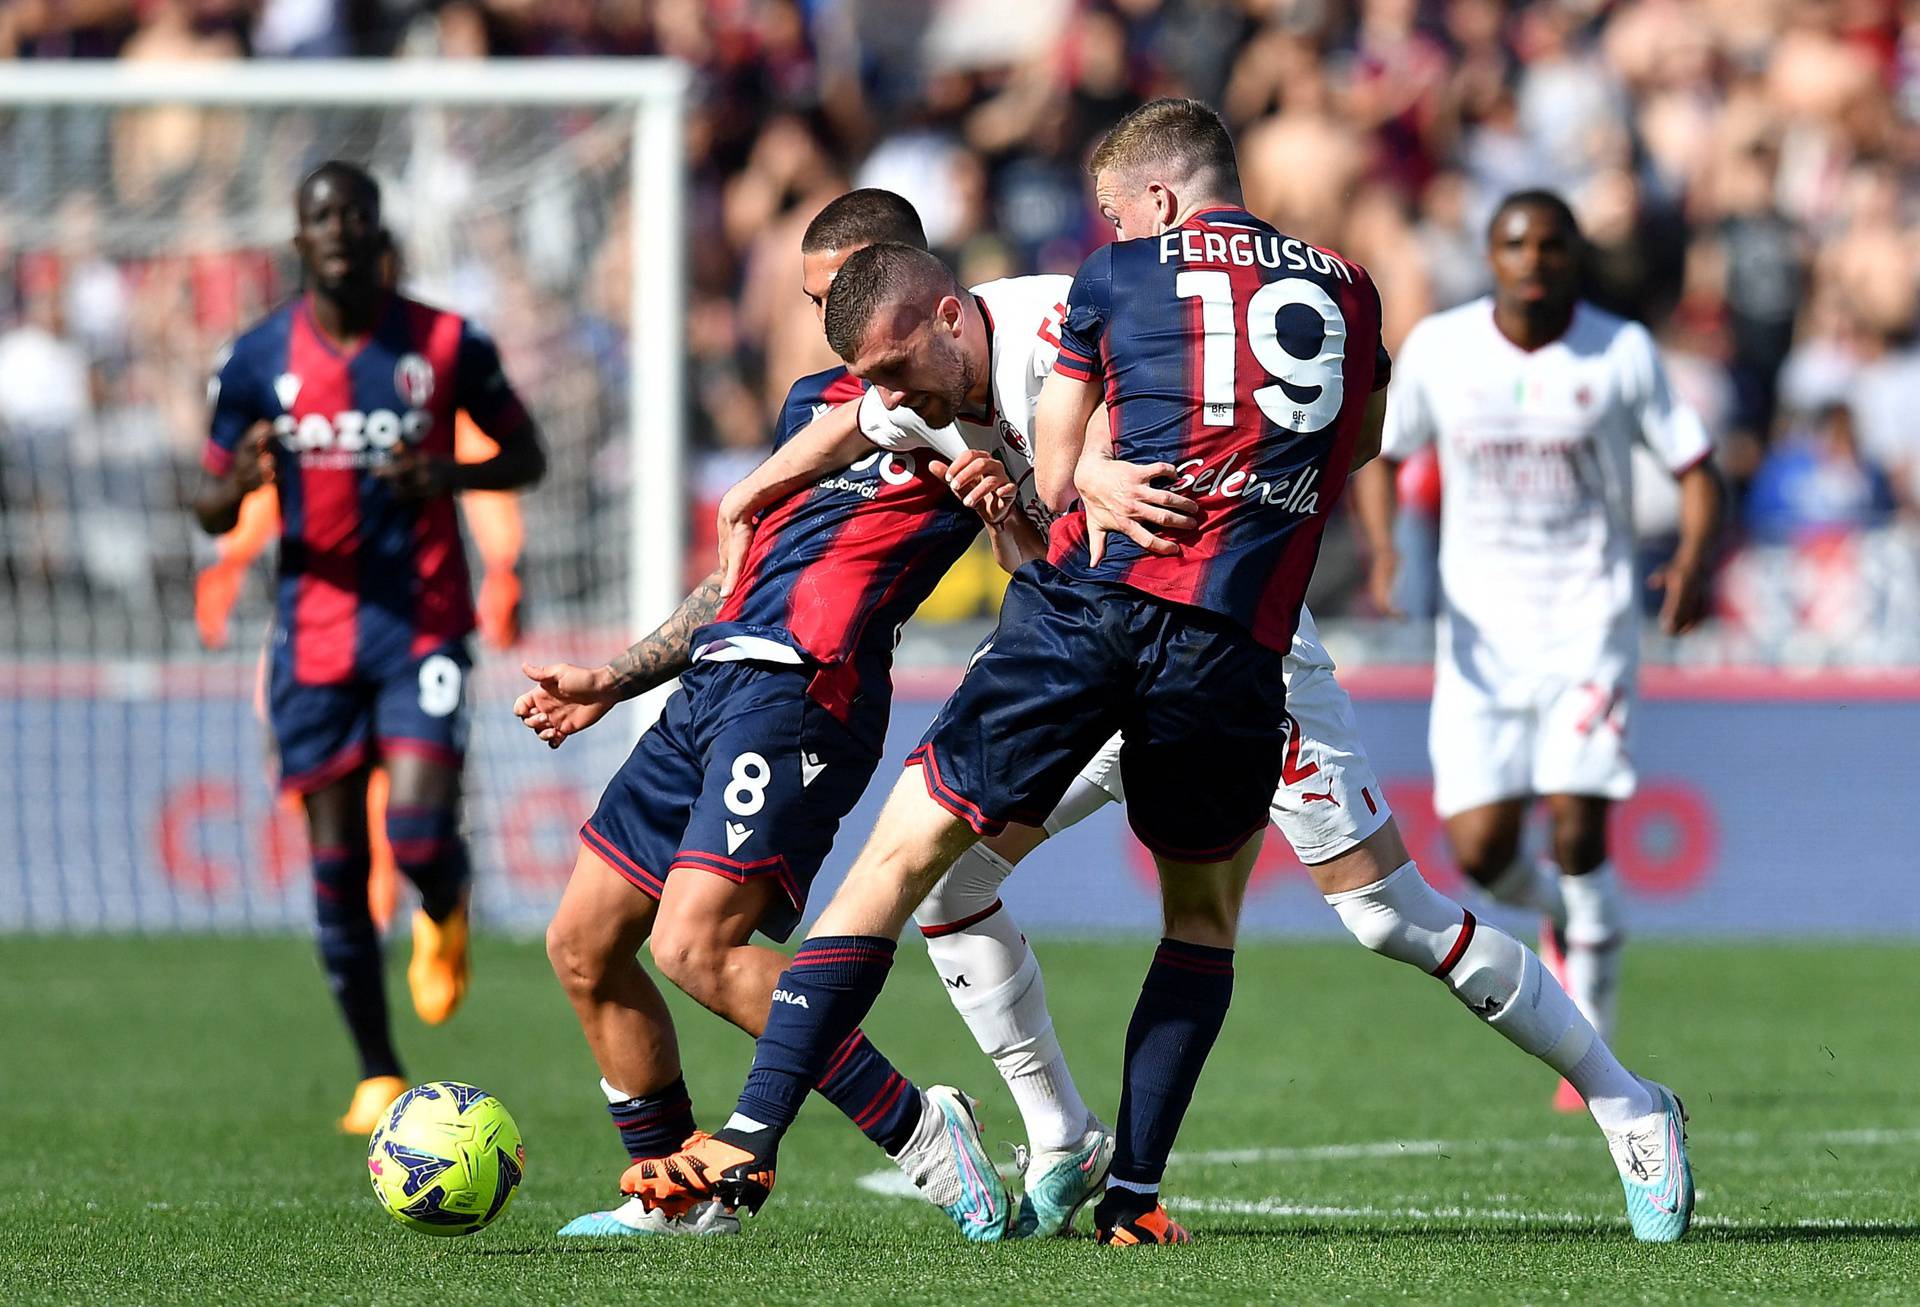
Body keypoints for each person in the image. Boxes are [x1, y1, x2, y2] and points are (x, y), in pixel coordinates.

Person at [634, 99, 1696, 1248]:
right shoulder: (932, 386)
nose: (888, 397)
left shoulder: (1079, 300)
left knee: (1388, 914)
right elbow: (865, 432)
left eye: (1112, 210)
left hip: (1239, 650)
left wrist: (1080, 471)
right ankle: (1065, 1140)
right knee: (942, 880)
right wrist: (760, 492)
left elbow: (1077, 447)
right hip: (1105, 637)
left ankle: (1627, 1100)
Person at [516, 188, 1033, 1241]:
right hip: (714, 681)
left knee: (695, 944)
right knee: (582, 942)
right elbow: (742, 572)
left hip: (809, 689)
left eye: (842, 295)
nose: (828, 323)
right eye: (813, 301)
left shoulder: (956, 398)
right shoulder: (811, 402)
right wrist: (616, 677)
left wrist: (1008, 503)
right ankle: (679, 1194)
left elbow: (1034, 543)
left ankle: (926, 1132)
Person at [191, 161, 547, 1134]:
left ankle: (447, 897)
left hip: (422, 620)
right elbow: (209, 495)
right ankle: (378, 1068)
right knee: (336, 865)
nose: (339, 229)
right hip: (312, 635)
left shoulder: (443, 342)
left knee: (419, 834)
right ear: (298, 240)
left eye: (355, 213)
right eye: (320, 216)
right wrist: (241, 483)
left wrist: (449, 470)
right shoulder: (258, 356)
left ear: (379, 232)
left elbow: (528, 453)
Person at [1353, 190, 1721, 1111]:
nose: (1535, 260)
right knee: (1479, 850)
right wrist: (1392, 547)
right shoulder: (1444, 348)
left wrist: (1690, 560)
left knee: (1579, 822)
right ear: (1493, 253)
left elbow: (1696, 465)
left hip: (1588, 622)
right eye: (1517, 244)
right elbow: (1383, 453)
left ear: (1573, 257)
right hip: (1480, 633)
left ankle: (1592, 1031)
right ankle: (1562, 913)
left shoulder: (1619, 350)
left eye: (1553, 245)